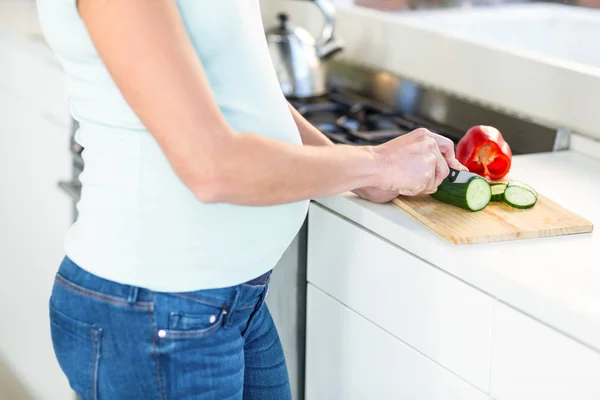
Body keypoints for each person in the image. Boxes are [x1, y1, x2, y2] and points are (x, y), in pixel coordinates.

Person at [36, 0, 466, 399]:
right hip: (155, 311)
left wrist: (354, 171)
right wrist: (375, 162)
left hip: (230, 301)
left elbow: (243, 89)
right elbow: (211, 168)